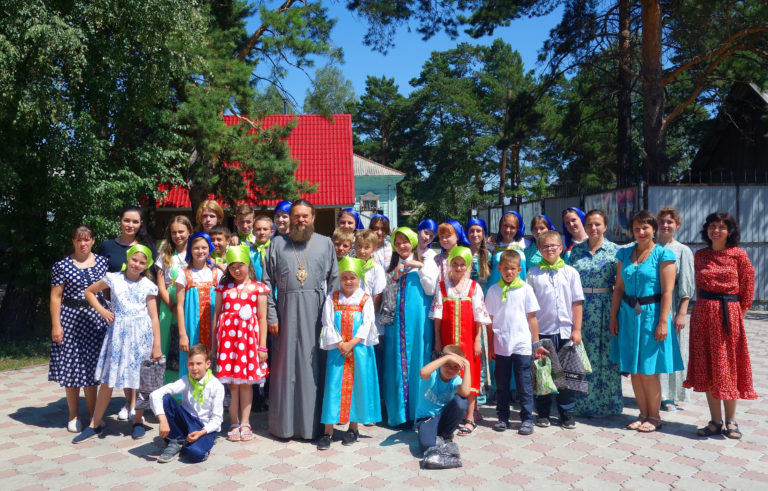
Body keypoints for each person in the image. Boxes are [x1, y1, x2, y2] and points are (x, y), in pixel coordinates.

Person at [263, 199, 339, 440]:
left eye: (305, 216)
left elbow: (335, 282)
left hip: (317, 313)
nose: (301, 220)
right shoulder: (277, 244)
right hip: (284, 312)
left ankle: (313, 426)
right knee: (284, 367)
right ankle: (283, 426)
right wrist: (271, 315)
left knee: (311, 366)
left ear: (313, 217)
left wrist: (333, 319)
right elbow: (266, 283)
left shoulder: (325, 243)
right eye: (296, 216)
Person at [73, 245, 162, 442]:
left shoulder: (148, 285)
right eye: (134, 260)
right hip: (118, 336)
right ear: (128, 259)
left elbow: (154, 317)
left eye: (142, 262)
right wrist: (103, 310)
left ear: (146, 265)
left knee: (139, 380)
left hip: (141, 336)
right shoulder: (113, 278)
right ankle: (94, 424)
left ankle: (137, 421)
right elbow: (89, 292)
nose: (137, 264)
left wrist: (157, 345)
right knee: (108, 380)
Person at [609, 210, 683, 433]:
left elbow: (668, 292)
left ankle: (654, 416)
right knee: (634, 369)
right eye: (636, 228)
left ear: (654, 229)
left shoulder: (663, 255)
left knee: (648, 370)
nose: (641, 232)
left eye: (645, 228)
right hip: (628, 315)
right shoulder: (624, 254)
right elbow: (619, 288)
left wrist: (663, 322)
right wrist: (613, 317)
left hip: (652, 315)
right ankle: (642, 414)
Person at [685, 212, 755, 439]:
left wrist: (738, 317)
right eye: (712, 226)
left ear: (730, 231)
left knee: (728, 367)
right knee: (708, 366)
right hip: (703, 315)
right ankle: (715, 421)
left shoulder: (739, 255)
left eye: (721, 227)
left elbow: (748, 289)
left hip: (728, 316)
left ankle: (731, 421)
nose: (716, 231)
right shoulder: (700, 255)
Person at [49, 225, 109, 433]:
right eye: (78, 240)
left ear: (93, 240)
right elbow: (56, 296)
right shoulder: (62, 266)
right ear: (73, 241)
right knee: (72, 368)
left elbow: (108, 292)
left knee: (92, 368)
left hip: (96, 320)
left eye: (86, 239)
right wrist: (56, 325)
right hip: (71, 320)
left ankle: (93, 414)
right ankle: (73, 415)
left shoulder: (102, 262)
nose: (83, 244)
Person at [317, 257, 381, 449]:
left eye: (352, 277)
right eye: (344, 277)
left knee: (357, 387)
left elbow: (368, 323)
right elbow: (327, 322)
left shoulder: (365, 299)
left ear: (359, 278)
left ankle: (353, 428)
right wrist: (340, 343)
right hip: (337, 351)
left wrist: (352, 343)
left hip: (358, 350)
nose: (348, 281)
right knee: (333, 387)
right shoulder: (333, 297)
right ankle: (328, 431)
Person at [430, 246, 491, 435]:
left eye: (462, 265)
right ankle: (449, 416)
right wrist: (437, 339)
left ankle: (470, 417)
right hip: (448, 341)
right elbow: (437, 317)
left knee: (470, 375)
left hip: (468, 340)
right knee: (449, 374)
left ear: (468, 266)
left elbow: (479, 317)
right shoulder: (443, 287)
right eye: (455, 264)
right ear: (450, 265)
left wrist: (477, 340)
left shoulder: (473, 287)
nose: (458, 268)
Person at [485, 250, 547, 435]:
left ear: (519, 269)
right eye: (505, 268)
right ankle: (502, 417)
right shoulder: (493, 290)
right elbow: (490, 321)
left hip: (522, 344)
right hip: (501, 344)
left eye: (513, 269)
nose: (509, 272)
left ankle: (527, 419)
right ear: (499, 268)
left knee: (524, 384)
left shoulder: (526, 289)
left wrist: (536, 343)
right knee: (502, 384)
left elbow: (532, 317)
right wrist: (491, 345)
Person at [527, 231, 584, 429]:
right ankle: (543, 413)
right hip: (543, 331)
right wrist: (534, 337)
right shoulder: (533, 274)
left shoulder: (571, 272)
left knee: (565, 375)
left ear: (561, 248)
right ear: (539, 250)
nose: (549, 249)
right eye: (545, 246)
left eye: (553, 246)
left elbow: (577, 303)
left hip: (565, 332)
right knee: (543, 373)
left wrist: (577, 330)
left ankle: (566, 413)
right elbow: (529, 308)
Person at [213, 245, 270, 442]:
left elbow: (262, 318)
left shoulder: (258, 288)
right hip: (228, 343)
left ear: (248, 264)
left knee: (245, 384)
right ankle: (233, 422)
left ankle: (245, 422)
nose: (237, 270)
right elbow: (217, 315)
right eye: (232, 267)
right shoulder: (223, 288)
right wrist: (214, 344)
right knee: (232, 384)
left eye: (240, 266)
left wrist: (262, 347)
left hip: (248, 343)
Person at [383, 227, 438, 426]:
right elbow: (387, 296)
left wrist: (419, 266)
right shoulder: (393, 266)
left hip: (418, 322)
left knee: (418, 358)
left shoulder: (427, 262)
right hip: (396, 324)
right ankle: (399, 415)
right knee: (396, 361)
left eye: (405, 242)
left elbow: (431, 289)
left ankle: (418, 412)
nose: (402, 246)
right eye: (397, 243)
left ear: (413, 242)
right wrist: (394, 277)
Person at [570, 210, 623, 417]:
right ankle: (580, 404)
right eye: (590, 224)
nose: (593, 228)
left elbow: (620, 286)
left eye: (598, 224)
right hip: (580, 307)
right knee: (581, 354)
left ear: (605, 226)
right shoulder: (576, 251)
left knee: (606, 355)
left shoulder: (615, 251)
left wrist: (615, 314)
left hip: (605, 307)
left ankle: (607, 404)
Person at [150, 344, 224, 463]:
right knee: (165, 398)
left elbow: (217, 420)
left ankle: (189, 442)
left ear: (208, 364)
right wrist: (162, 420)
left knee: (195, 454)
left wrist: (201, 433)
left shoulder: (216, 386)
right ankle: (177, 440)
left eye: (199, 364)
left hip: (204, 426)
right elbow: (155, 394)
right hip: (187, 420)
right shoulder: (186, 380)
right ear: (187, 364)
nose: (194, 368)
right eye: (191, 364)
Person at [656, 206, 695, 412]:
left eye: (669, 222)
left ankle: (669, 395)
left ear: (677, 225)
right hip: (651, 305)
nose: (665, 225)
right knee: (653, 350)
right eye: (662, 221)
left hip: (672, 307)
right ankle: (653, 392)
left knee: (671, 350)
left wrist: (681, 313)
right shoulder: (649, 247)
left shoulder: (682, 250)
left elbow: (686, 284)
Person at [414, 345, 471, 467]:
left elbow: (465, 392)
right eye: (447, 365)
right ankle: (431, 434)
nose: (450, 369)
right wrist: (446, 358)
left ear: (459, 370)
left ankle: (446, 434)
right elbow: (423, 372)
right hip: (427, 418)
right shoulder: (432, 375)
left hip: (443, 418)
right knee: (427, 447)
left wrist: (467, 365)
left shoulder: (455, 380)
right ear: (441, 361)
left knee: (461, 401)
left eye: (455, 367)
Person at [176, 233, 222, 377]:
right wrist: (183, 334)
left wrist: (218, 263)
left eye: (204, 248)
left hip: (213, 327)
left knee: (213, 363)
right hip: (192, 328)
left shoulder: (217, 273)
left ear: (210, 249)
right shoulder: (184, 274)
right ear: (190, 249)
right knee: (193, 362)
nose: (200, 251)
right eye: (196, 248)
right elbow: (179, 306)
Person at [156, 216, 192, 384]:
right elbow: (161, 285)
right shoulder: (165, 255)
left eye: (181, 232)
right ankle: (167, 387)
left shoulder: (195, 252)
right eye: (174, 232)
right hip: (169, 305)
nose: (178, 236)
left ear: (189, 231)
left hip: (190, 302)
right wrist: (172, 306)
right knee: (168, 343)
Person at [97, 206, 157, 273]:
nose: (130, 225)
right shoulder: (107, 246)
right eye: (126, 221)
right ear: (120, 220)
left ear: (141, 224)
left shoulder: (148, 247)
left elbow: (153, 274)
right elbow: (98, 273)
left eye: (135, 222)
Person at [488, 211, 530, 290]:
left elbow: (543, 238)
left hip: (519, 290)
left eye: (512, 227)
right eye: (505, 226)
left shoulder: (525, 243)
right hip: (495, 290)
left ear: (517, 229)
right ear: (500, 226)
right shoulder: (491, 244)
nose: (508, 230)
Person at [354, 229, 386, 312]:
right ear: (354, 246)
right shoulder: (350, 266)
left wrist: (370, 316)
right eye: (359, 246)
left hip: (369, 313)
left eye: (367, 247)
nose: (362, 251)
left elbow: (378, 296)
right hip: (351, 312)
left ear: (374, 249)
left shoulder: (377, 269)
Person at [250, 215, 273, 280]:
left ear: (271, 232)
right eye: (258, 229)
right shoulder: (248, 252)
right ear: (253, 232)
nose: (262, 232)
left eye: (265, 229)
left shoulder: (276, 251)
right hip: (254, 285)